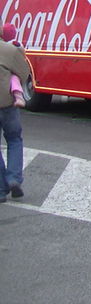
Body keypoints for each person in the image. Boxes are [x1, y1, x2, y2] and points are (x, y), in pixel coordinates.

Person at [0, 22, 32, 203]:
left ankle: (0, 190)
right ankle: (13, 179)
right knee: (14, 140)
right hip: (7, 104)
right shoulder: (9, 50)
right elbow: (24, 71)